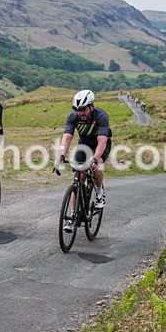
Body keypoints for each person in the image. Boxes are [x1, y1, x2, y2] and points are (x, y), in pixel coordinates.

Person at [56, 89, 112, 232]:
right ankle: (72, 215)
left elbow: (102, 142)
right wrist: (62, 154)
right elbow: (67, 137)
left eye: (83, 110)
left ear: (91, 107)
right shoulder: (73, 116)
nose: (80, 113)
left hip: (100, 144)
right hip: (84, 143)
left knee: (96, 167)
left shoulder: (101, 116)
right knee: (77, 178)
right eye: (77, 109)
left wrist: (95, 159)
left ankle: (99, 192)